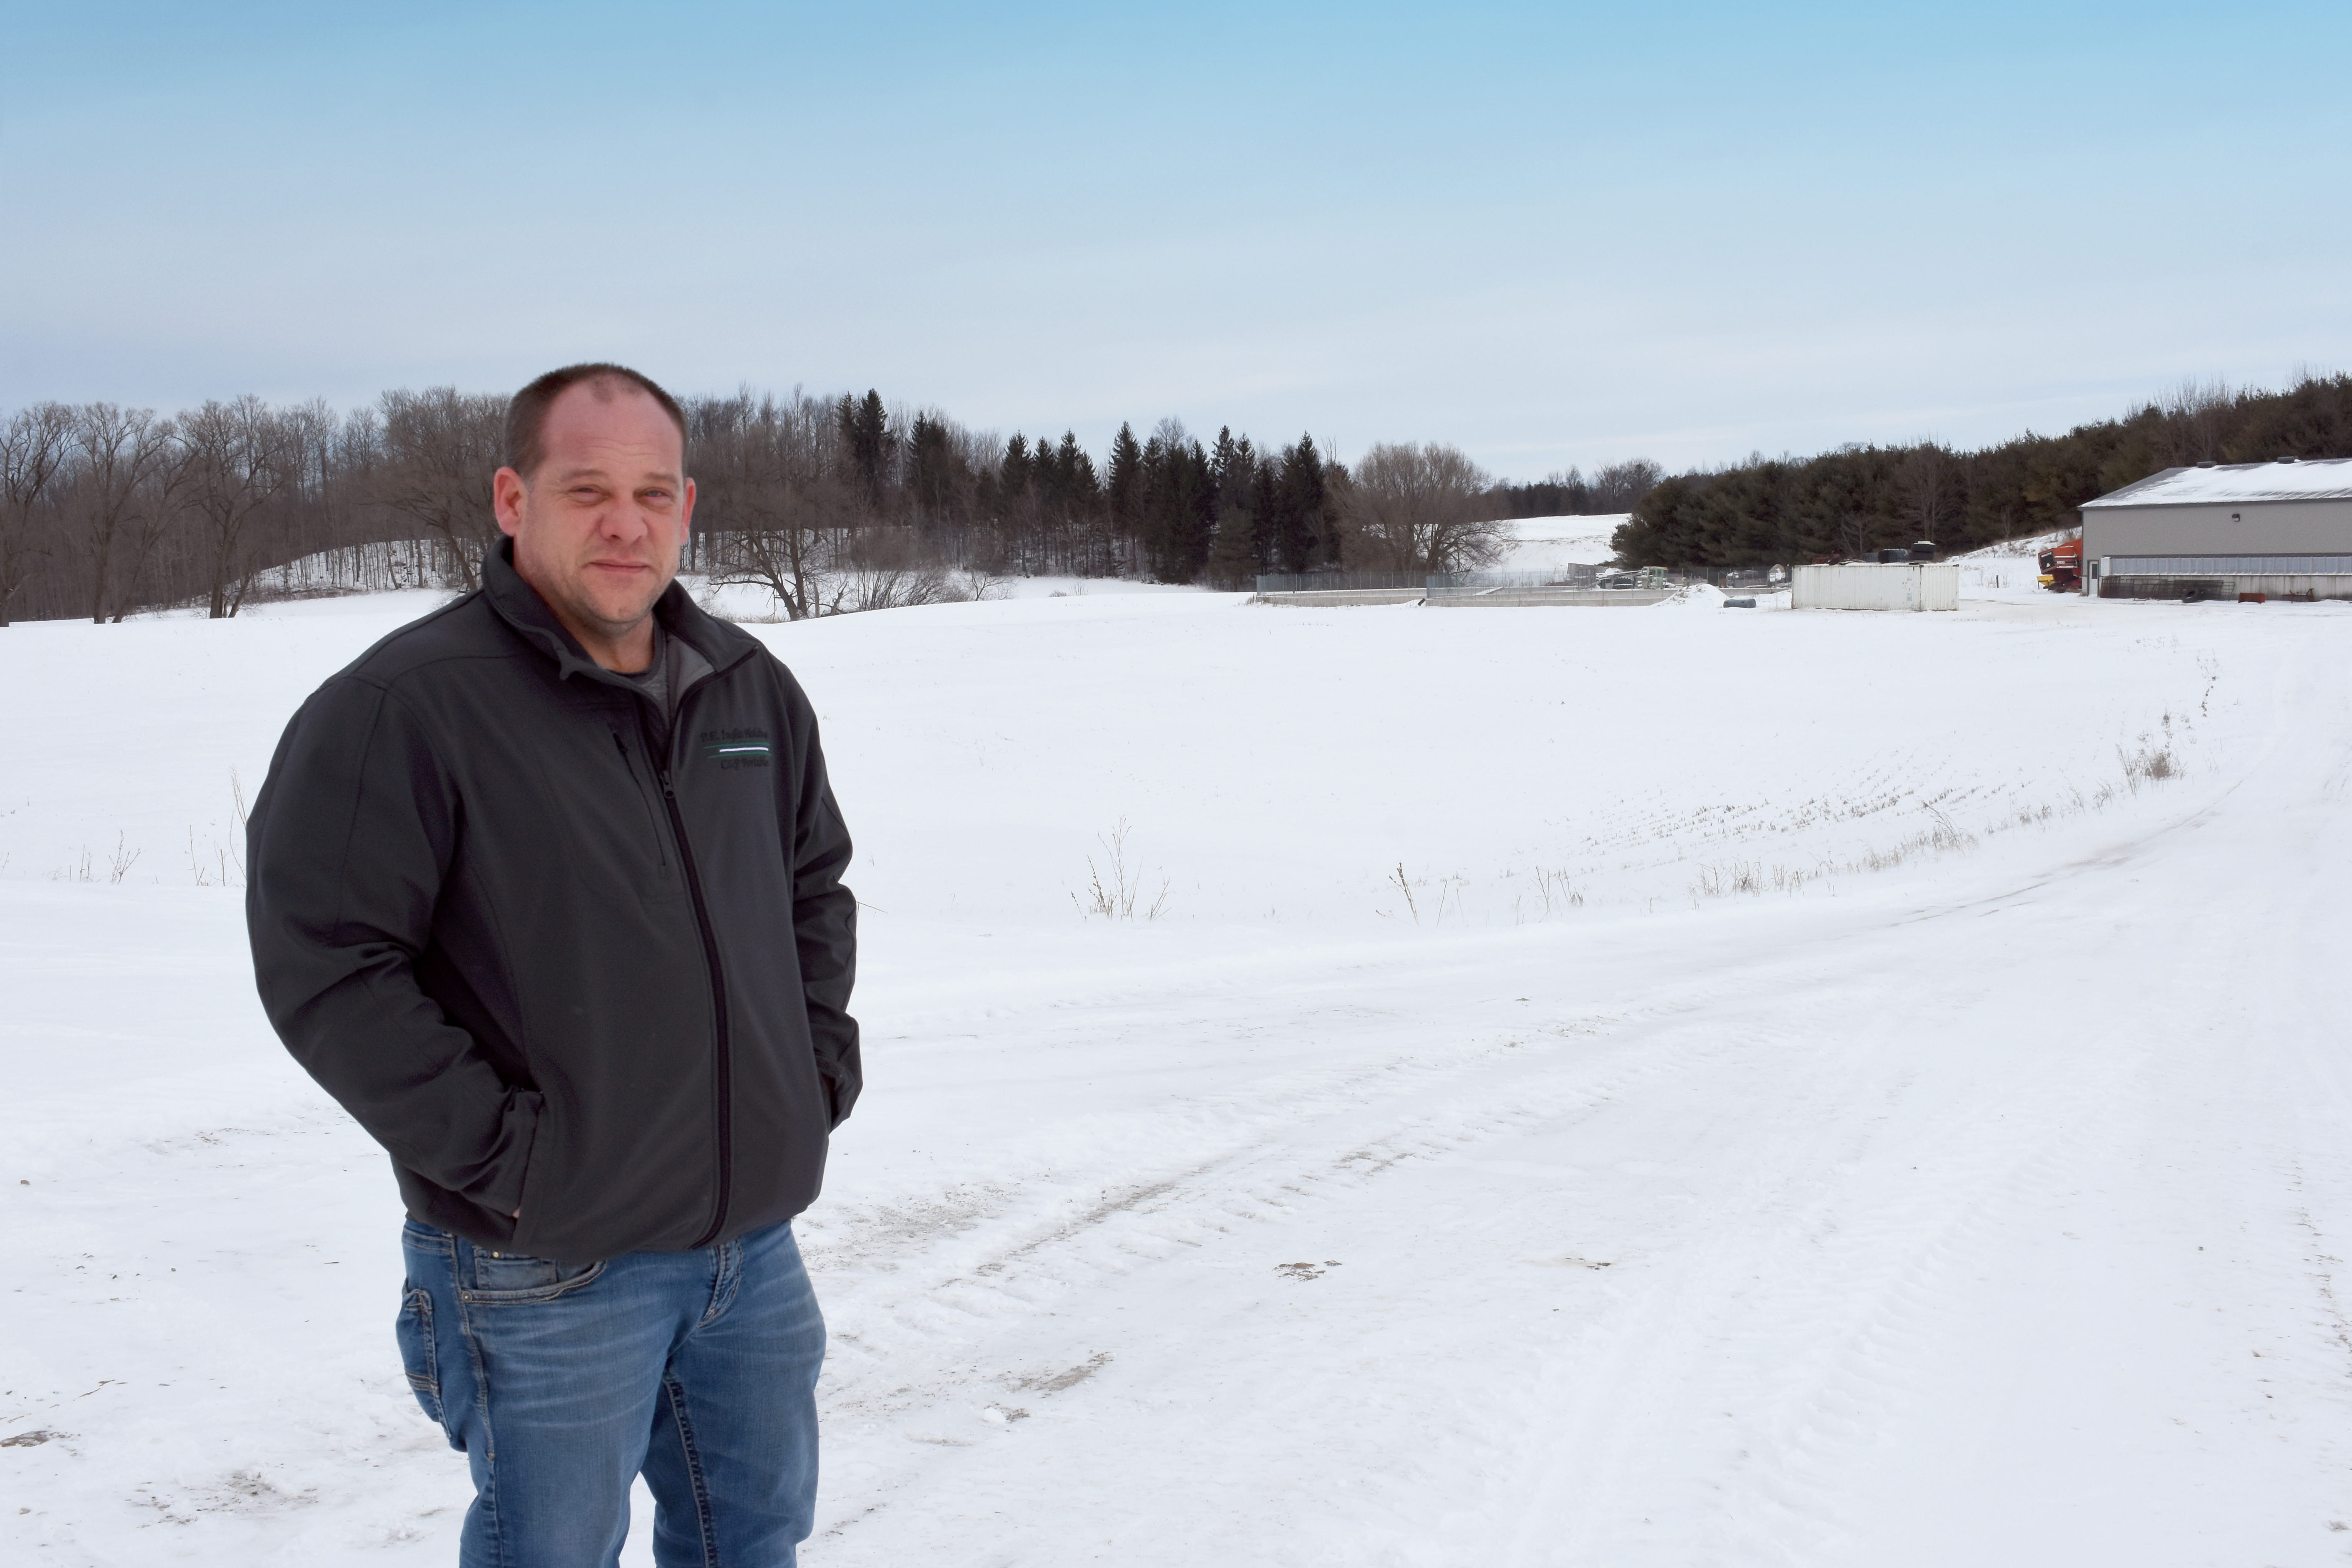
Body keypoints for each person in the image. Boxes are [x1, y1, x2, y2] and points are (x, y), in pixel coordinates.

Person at [245, 363, 859, 1567]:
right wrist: (515, 1161)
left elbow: (809, 891)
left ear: (687, 504)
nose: (626, 522)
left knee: (754, 1540)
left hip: (750, 1249)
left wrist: (811, 1076)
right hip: (549, 1265)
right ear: (514, 500)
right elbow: (328, 963)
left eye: (652, 491)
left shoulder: (750, 689)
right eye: (588, 490)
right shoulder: (406, 707)